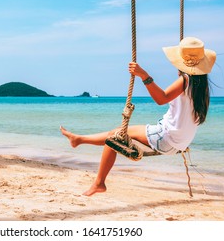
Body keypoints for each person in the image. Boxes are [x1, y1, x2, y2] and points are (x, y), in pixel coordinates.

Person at [61, 37, 216, 196]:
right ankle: (79, 139)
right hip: (179, 142)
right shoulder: (202, 86)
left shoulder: (186, 80)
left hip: (166, 138)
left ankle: (99, 183)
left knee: (114, 138)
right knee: (116, 132)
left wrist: (144, 76)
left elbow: (161, 99)